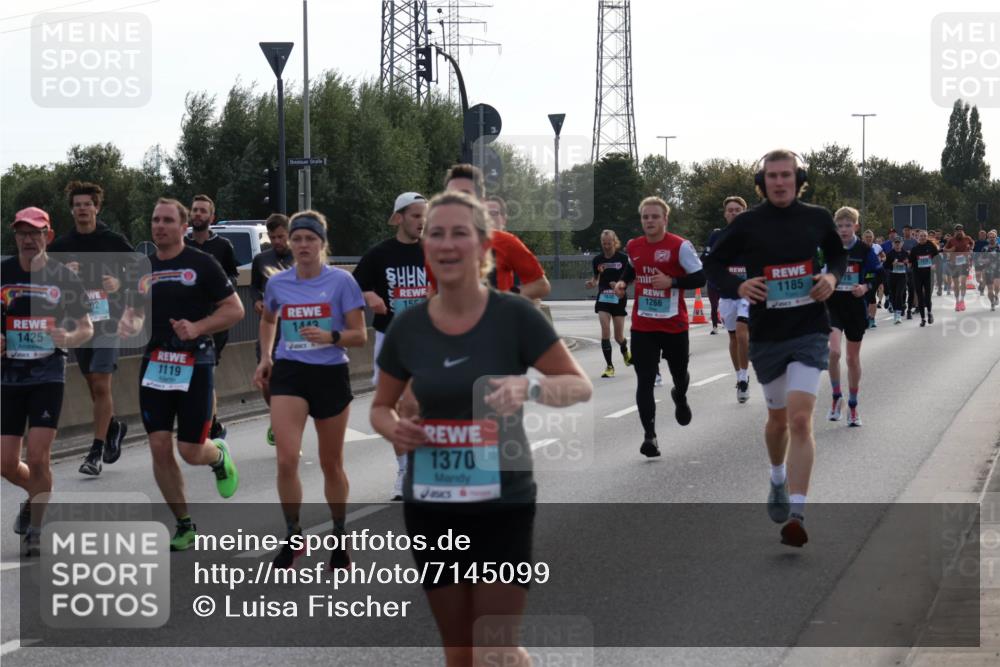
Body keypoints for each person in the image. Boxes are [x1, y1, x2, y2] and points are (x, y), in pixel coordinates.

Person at [370, 191, 591, 667]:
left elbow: (577, 385)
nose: (446, 244)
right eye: (436, 233)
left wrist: (526, 390)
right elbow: (380, 408)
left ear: (483, 245)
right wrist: (395, 430)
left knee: (494, 646)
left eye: (459, 233)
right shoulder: (409, 327)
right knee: (460, 651)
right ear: (425, 246)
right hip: (431, 502)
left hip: (501, 498)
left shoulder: (514, 316)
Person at [704, 149, 846, 548]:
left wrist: (832, 279)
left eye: (786, 175)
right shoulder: (748, 224)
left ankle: (797, 514)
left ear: (798, 179)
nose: (780, 182)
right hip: (767, 335)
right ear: (762, 183)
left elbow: (837, 253)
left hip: (808, 328)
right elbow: (712, 264)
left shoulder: (817, 217)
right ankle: (777, 476)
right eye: (772, 176)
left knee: (801, 420)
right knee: (778, 422)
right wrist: (738, 286)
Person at [118, 198, 243, 551]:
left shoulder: (203, 264)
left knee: (189, 450)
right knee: (159, 445)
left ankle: (217, 455)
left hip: (195, 363)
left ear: (183, 226)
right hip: (156, 362)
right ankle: (184, 524)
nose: (159, 226)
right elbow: (132, 314)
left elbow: (235, 310)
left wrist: (199, 326)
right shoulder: (142, 268)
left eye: (167, 220)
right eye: (155, 219)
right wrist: (128, 322)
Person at [254, 210, 367, 569]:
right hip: (290, 373)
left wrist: (331, 336)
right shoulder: (277, 283)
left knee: (330, 464)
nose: (302, 245)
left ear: (322, 243)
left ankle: (339, 535)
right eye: (297, 238)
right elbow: (269, 318)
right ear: (289, 241)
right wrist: (266, 357)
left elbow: (360, 335)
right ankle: (293, 535)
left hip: (330, 374)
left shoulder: (342, 283)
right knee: (286, 459)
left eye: (310, 239)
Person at [3, 207, 93, 556]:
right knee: (6, 463)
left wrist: (65, 336)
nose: (28, 239)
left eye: (35, 232)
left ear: (48, 236)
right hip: (8, 376)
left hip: (47, 374)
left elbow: (86, 327)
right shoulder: (3, 273)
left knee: (39, 457)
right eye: (22, 233)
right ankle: (35, 495)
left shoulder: (62, 277)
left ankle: (37, 529)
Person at [48, 181, 132, 476]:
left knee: (100, 382)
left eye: (88, 204)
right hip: (78, 323)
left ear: (97, 207)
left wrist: (119, 283)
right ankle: (114, 427)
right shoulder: (60, 247)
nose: (83, 209)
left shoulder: (113, 241)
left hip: (108, 321)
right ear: (71, 211)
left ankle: (95, 452)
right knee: (91, 385)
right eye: (77, 205)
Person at [613, 196, 706, 458]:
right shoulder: (634, 246)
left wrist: (672, 282)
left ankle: (681, 395)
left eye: (655, 217)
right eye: (645, 217)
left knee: (679, 374)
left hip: (674, 325)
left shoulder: (680, 246)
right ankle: (650, 437)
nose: (650, 221)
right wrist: (622, 283)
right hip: (643, 325)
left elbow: (701, 277)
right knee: (644, 379)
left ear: (665, 219)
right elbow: (632, 270)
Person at [353, 192, 428, 501]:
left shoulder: (434, 251)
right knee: (398, 408)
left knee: (412, 405)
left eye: (424, 215)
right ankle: (405, 469)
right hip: (389, 337)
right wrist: (368, 296)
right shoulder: (379, 254)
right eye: (415, 215)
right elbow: (354, 286)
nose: (421, 222)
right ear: (398, 217)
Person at [433, 165, 551, 300]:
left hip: (496, 320)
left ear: (480, 201)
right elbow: (432, 290)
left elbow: (541, 285)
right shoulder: (434, 243)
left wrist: (503, 299)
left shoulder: (504, 241)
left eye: (465, 194)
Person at [185, 194, 240, 440]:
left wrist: (223, 288)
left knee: (207, 371)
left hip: (214, 321)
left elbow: (234, 277)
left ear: (211, 217)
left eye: (203, 211)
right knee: (189, 373)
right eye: (195, 210)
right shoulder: (181, 245)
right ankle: (212, 423)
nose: (198, 214)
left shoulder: (222, 246)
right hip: (185, 322)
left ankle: (210, 423)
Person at [825, 207, 880, 427]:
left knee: (851, 358)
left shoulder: (865, 250)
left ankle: (854, 404)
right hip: (833, 305)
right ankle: (836, 396)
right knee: (834, 351)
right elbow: (816, 269)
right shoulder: (828, 248)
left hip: (855, 307)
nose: (844, 230)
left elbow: (877, 273)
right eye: (840, 226)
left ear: (856, 226)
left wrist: (865, 287)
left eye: (848, 225)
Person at [250, 213, 295, 446]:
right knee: (267, 383)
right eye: (273, 237)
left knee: (290, 386)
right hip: (269, 331)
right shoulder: (261, 260)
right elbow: (254, 288)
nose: (278, 241)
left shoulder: (300, 258)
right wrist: (257, 300)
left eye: (281, 236)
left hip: (294, 331)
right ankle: (277, 414)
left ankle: (284, 426)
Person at [703, 196, 752, 402]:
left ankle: (743, 379)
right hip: (726, 294)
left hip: (747, 293)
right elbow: (706, 261)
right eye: (730, 210)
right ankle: (741, 376)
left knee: (742, 333)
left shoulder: (753, 235)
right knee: (733, 337)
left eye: (738, 210)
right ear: (725, 213)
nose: (733, 213)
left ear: (744, 212)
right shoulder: (717, 236)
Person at [585, 229, 632, 378]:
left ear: (614, 242)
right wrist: (592, 283)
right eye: (604, 243)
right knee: (605, 331)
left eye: (609, 243)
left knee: (619, 337)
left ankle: (625, 351)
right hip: (603, 299)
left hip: (618, 298)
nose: (606, 246)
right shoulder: (597, 260)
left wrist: (619, 285)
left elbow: (630, 278)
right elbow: (596, 278)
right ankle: (609, 366)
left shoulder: (623, 259)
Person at [909, 228, 940, 326]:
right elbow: (910, 262)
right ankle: (923, 319)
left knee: (927, 296)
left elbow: (937, 258)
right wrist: (910, 264)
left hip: (928, 274)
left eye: (924, 236)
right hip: (917, 274)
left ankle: (929, 313)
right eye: (921, 236)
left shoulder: (931, 246)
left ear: (927, 237)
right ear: (918, 238)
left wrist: (934, 264)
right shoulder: (915, 249)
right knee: (920, 296)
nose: (922, 238)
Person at [944, 224, 974, 311]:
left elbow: (972, 243)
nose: (959, 232)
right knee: (956, 284)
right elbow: (944, 250)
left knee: (963, 282)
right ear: (955, 231)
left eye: (960, 230)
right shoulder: (951, 240)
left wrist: (970, 249)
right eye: (957, 230)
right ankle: (957, 302)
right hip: (954, 264)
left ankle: (962, 301)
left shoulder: (967, 238)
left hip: (964, 263)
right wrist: (951, 250)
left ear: (963, 231)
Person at [884, 237, 910, 324]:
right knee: (894, 295)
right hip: (892, 276)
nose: (897, 244)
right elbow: (885, 266)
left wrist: (907, 263)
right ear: (893, 244)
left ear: (902, 243)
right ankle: (896, 311)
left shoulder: (905, 253)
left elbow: (910, 264)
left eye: (899, 242)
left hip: (902, 276)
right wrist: (892, 264)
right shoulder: (890, 254)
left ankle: (897, 315)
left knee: (899, 294)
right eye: (896, 242)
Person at [861, 229, 882, 328]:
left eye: (870, 237)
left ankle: (872, 319)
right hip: (861, 277)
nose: (869, 239)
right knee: (863, 298)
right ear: (863, 238)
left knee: (871, 297)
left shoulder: (876, 247)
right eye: (867, 237)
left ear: (873, 238)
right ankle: (865, 317)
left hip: (873, 277)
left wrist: (880, 260)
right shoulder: (859, 248)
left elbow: (882, 257)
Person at [984, 230, 1000, 311]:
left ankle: (996, 295)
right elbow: (979, 259)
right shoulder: (985, 248)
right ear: (988, 238)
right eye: (990, 237)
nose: (992, 239)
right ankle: (992, 303)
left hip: (998, 269)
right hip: (988, 270)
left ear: (996, 238)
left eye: (993, 237)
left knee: (997, 286)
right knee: (990, 290)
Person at [973, 229, 989, 296]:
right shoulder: (975, 243)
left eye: (983, 235)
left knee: (984, 276)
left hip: (986, 262)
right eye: (981, 235)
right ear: (979, 235)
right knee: (977, 278)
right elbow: (972, 251)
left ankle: (982, 290)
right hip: (977, 261)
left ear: (985, 236)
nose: (982, 236)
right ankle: (981, 283)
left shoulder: (988, 243)